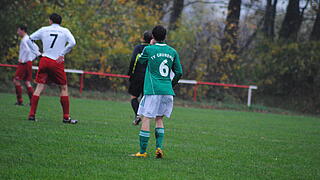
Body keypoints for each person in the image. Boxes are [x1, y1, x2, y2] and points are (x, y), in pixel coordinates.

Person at [131, 25, 183, 158]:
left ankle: (142, 152)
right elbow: (179, 72)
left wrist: (150, 46)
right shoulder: (173, 51)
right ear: (165, 37)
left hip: (153, 90)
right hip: (167, 90)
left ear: (153, 37)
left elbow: (141, 61)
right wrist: (171, 84)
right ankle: (158, 148)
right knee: (159, 118)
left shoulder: (149, 49)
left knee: (146, 117)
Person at [26, 13, 77, 124]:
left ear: (50, 21)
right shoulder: (65, 31)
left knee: (39, 87)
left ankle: (31, 115)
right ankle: (66, 117)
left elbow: (29, 40)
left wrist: (37, 53)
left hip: (44, 60)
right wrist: (62, 53)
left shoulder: (44, 29)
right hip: (56, 62)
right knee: (63, 88)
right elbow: (73, 42)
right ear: (60, 22)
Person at [127, 31, 152, 126]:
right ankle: (144, 118)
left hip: (137, 75)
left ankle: (138, 115)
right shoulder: (152, 49)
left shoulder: (138, 48)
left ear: (142, 38)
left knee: (134, 97)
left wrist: (130, 73)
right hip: (148, 77)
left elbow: (133, 60)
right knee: (144, 98)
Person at [13, 25, 39, 106]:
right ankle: (32, 102)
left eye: (18, 31)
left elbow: (28, 50)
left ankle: (20, 101)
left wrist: (24, 59)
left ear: (23, 30)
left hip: (24, 63)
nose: (17, 32)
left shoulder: (25, 40)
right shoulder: (28, 38)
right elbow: (36, 48)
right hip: (28, 62)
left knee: (16, 80)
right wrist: (31, 58)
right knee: (27, 82)